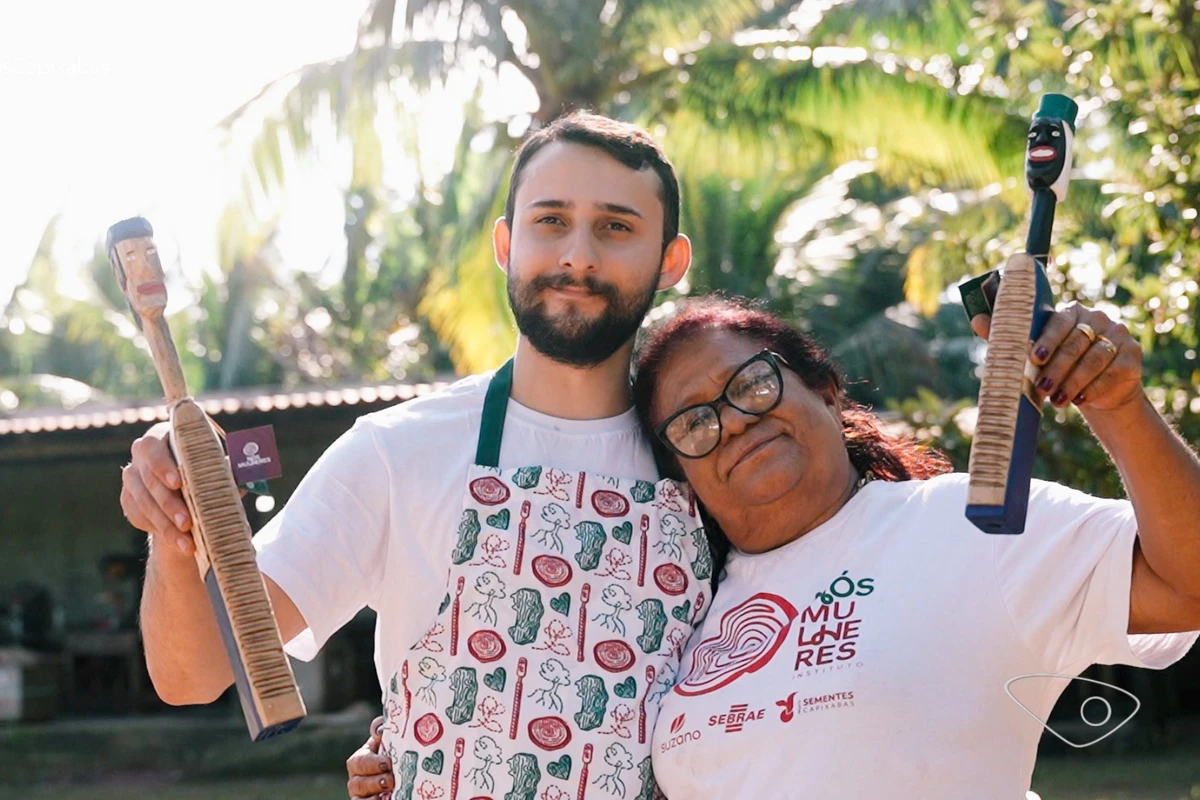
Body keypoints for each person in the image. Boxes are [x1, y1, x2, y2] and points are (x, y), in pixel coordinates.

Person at [342, 278, 1200, 798]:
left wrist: (1118, 406)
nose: (733, 424)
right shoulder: (688, 615)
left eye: (751, 385)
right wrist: (423, 763)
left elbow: (1186, 582)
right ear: (680, 472)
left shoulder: (971, 524)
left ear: (824, 389)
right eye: (694, 423)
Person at [121, 112, 719, 800]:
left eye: (615, 226)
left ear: (670, 261)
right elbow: (193, 673)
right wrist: (171, 528)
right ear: (506, 243)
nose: (577, 255)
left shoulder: (708, 462)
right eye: (550, 220)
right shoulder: (395, 452)